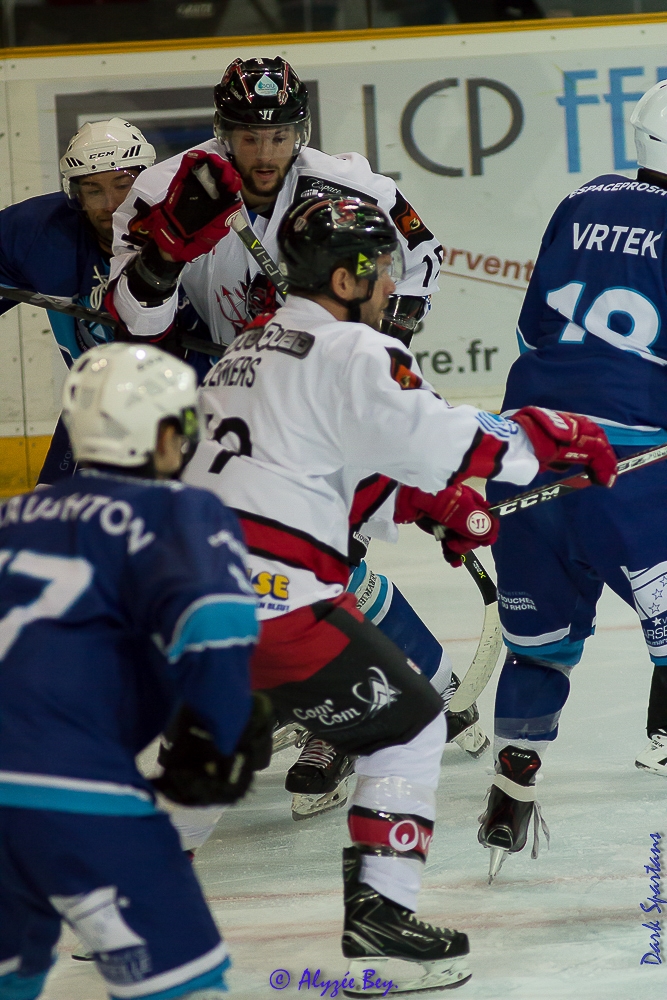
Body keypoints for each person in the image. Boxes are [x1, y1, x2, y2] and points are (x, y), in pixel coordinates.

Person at [180, 196, 615, 994]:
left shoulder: (249, 349)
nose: (390, 282)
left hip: (187, 600)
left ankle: (131, 901)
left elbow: (331, 474)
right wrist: (553, 442)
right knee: (412, 723)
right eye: (381, 267)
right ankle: (380, 919)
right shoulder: (351, 350)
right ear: (348, 274)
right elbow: (446, 438)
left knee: (217, 743)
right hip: (276, 601)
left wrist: (429, 504)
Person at [108, 55, 492, 824]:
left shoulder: (353, 188)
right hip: (222, 393)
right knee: (257, 568)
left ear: (300, 131)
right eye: (247, 136)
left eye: (279, 134)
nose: (263, 152)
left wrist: (377, 347)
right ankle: (413, 689)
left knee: (323, 554)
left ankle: (336, 721)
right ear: (222, 134)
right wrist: (161, 257)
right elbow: (133, 321)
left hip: (316, 385)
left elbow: (423, 258)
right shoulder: (162, 192)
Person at [0, 341, 272, 1000]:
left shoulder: (11, 517)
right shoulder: (180, 509)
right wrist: (223, 728)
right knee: (184, 984)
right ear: (164, 433)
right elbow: (211, 629)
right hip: (71, 788)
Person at [479, 77, 667, 884]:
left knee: (542, 647)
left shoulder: (581, 197)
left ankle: (508, 784)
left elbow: (530, 327)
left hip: (523, 454)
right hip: (629, 472)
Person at [0, 118, 157, 484]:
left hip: (189, 413)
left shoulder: (188, 233)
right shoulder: (38, 234)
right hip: (96, 411)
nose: (112, 205)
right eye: (93, 190)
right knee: (50, 532)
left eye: (123, 185)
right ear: (75, 195)